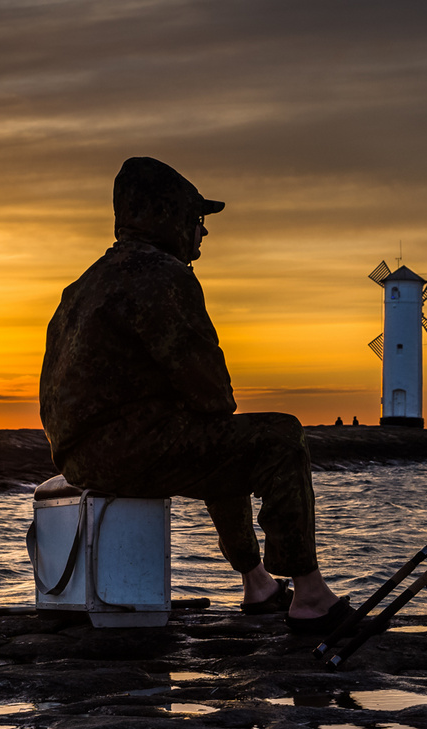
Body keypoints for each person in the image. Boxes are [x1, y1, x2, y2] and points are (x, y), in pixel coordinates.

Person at [39, 157, 348, 632]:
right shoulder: (162, 276)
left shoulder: (83, 285)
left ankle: (258, 583)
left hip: (79, 458)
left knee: (216, 445)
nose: (202, 233)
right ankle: (309, 593)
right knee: (280, 437)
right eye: (197, 220)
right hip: (126, 451)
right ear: (167, 215)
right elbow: (214, 396)